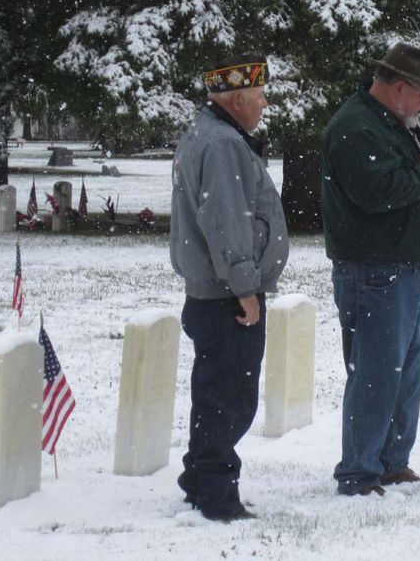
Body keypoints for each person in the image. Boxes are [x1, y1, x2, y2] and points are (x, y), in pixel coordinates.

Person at [321, 43, 420, 496]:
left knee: (404, 371)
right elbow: (376, 192)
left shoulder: (387, 123)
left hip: (401, 269)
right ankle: (359, 473)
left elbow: (397, 183)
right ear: (400, 85)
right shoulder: (356, 126)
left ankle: (390, 462)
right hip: (373, 271)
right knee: (375, 373)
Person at [170, 53, 289, 521]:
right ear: (236, 99)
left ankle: (199, 477)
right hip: (227, 297)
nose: (263, 105)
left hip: (212, 294)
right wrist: (245, 287)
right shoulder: (222, 144)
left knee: (214, 390)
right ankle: (217, 495)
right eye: (258, 97)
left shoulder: (209, 134)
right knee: (231, 398)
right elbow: (226, 223)